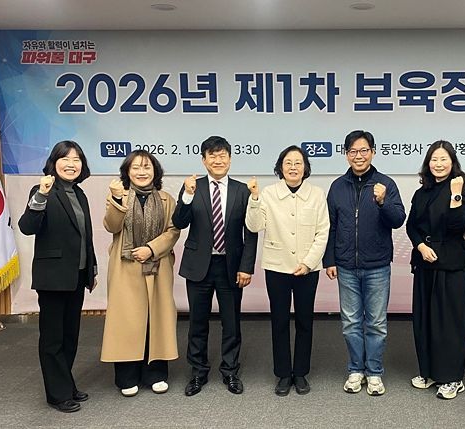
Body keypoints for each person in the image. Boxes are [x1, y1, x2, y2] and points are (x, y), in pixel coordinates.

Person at [172, 136, 258, 396]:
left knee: (231, 323)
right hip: (199, 265)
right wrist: (187, 195)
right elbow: (179, 222)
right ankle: (198, 372)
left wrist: (247, 266)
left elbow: (251, 232)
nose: (218, 160)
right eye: (212, 156)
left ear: (230, 159)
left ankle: (230, 371)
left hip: (230, 266)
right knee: (197, 322)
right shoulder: (192, 187)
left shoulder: (243, 190)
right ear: (204, 160)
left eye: (222, 156)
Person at [323, 130, 406, 396]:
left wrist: (382, 202)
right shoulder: (337, 186)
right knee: (350, 322)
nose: (358, 156)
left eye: (363, 150)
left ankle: (375, 372)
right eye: (353, 151)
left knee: (376, 323)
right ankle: (355, 369)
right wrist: (329, 260)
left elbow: (398, 220)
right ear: (346, 154)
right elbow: (330, 226)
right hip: (346, 265)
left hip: (377, 265)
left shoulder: (386, 184)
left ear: (372, 152)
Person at [18, 140, 97, 413]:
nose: (71, 164)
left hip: (77, 275)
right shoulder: (42, 190)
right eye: (65, 158)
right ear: (54, 162)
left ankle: (66, 384)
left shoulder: (80, 194)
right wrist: (41, 195)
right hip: (52, 277)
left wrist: (91, 269)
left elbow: (85, 238)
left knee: (70, 336)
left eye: (77, 159)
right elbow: (27, 226)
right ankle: (57, 394)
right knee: (53, 339)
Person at [245, 146, 329, 396]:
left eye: (298, 162)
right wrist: (254, 198)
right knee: (279, 321)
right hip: (277, 267)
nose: (293, 167)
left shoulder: (316, 194)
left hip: (308, 269)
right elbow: (254, 226)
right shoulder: (268, 194)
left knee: (305, 321)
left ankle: (300, 372)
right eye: (288, 162)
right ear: (280, 167)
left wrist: (309, 262)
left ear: (306, 167)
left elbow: (323, 231)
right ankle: (283, 373)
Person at [100, 150, 180, 397]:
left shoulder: (166, 199)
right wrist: (117, 200)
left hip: (157, 266)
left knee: (157, 318)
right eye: (136, 167)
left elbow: (173, 231)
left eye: (147, 167)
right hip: (126, 267)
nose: (142, 172)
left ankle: (156, 374)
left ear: (155, 171)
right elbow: (111, 226)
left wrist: (151, 249)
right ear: (127, 172)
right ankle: (127, 376)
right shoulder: (119, 195)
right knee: (127, 321)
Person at [406, 140, 465, 400]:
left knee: (450, 322)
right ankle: (429, 371)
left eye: (444, 159)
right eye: (434, 159)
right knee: (425, 319)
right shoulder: (421, 192)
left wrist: (456, 195)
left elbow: (458, 225)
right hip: (425, 261)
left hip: (452, 263)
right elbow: (411, 225)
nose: (438, 164)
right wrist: (421, 246)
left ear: (452, 162)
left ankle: (452, 378)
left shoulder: (462, 190)